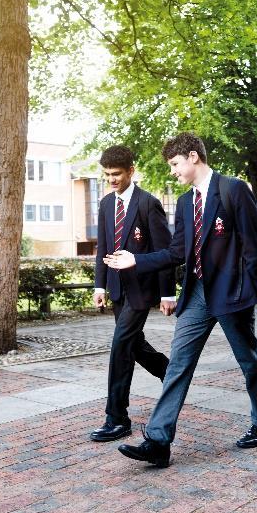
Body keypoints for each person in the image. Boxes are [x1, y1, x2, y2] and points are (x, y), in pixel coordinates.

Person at [104, 132, 257, 467]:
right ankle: (158, 441)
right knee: (178, 364)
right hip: (196, 294)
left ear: (193, 157)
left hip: (232, 294)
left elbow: (255, 247)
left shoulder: (233, 190)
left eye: (175, 164)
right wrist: (136, 260)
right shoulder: (184, 203)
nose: (173, 171)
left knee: (248, 360)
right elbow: (176, 252)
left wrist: (250, 292)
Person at [90, 145, 177, 443]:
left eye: (116, 174)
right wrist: (99, 286)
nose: (111, 180)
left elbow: (165, 252)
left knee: (120, 347)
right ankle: (171, 372)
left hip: (142, 289)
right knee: (133, 343)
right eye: (107, 175)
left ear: (131, 171)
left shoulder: (148, 204)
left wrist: (167, 293)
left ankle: (117, 419)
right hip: (117, 288)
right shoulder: (105, 204)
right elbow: (103, 248)